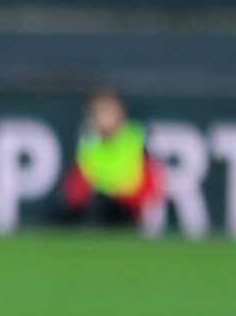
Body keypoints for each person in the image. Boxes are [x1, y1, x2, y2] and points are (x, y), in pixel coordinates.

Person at [56, 86, 163, 227]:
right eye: (97, 112)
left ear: (121, 113)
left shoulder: (136, 138)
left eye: (107, 111)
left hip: (127, 208)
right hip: (95, 208)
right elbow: (75, 188)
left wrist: (125, 195)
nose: (102, 118)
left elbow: (152, 184)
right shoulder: (88, 142)